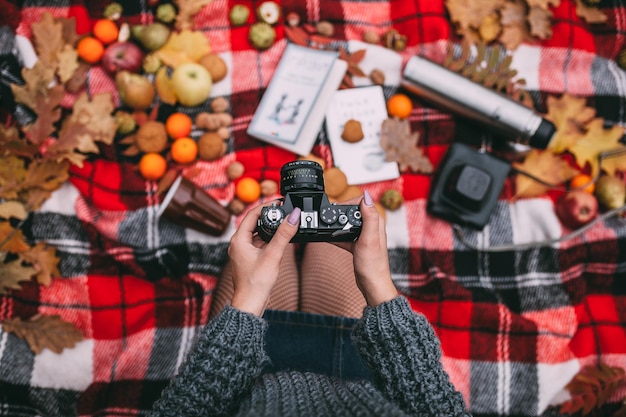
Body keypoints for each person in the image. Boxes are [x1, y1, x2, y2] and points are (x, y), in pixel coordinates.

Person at [149, 191, 472, 417]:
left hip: (237, 386)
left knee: (276, 232)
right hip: (363, 372)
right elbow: (435, 405)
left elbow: (185, 406)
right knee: (328, 232)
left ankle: (294, 222)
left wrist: (248, 302)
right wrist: (377, 283)